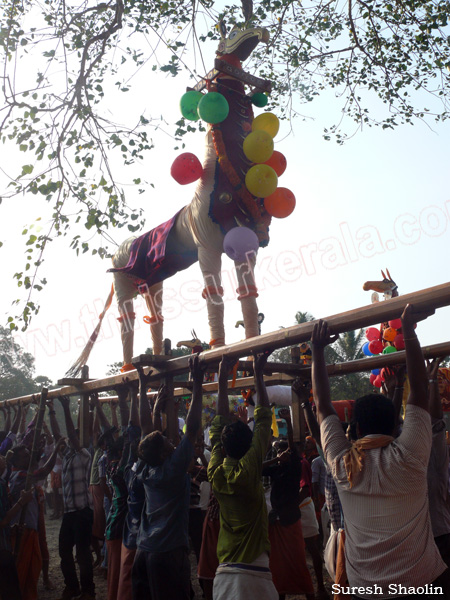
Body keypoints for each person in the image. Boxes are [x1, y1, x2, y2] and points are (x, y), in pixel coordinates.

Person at [311, 304, 448, 599]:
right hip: (419, 584)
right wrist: (408, 333)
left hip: (366, 589)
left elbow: (322, 406)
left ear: (356, 429)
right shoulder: (410, 454)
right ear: (395, 427)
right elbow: (420, 394)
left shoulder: (342, 464)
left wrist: (317, 351)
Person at [132, 354, 204, 600]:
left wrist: (143, 385)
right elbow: (192, 428)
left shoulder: (144, 468)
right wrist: (198, 384)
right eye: (167, 442)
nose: (172, 442)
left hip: (144, 550)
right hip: (168, 553)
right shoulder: (172, 471)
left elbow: (145, 430)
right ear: (164, 452)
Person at [207, 352, 278, 600]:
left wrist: (223, 379)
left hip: (224, 572)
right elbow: (263, 419)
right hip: (254, 571)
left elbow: (218, 426)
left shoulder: (215, 472)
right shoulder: (249, 467)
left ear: (223, 448)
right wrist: (258, 373)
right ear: (250, 448)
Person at [263, 407, 315, 600]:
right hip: (277, 519)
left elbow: (293, 444)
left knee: (298, 561)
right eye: (277, 451)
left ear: (289, 452)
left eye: (282, 450)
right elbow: (256, 469)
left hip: (290, 519)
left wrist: (288, 422)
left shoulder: (294, 467)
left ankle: (310, 593)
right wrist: (274, 459)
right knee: (278, 565)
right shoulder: (275, 469)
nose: (280, 454)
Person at [51, 396, 95, 600]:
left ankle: (88, 590)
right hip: (69, 513)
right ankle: (72, 587)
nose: (69, 441)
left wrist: (67, 408)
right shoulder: (67, 456)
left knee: (83, 554)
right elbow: (57, 435)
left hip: (83, 512)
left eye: (73, 439)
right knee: (64, 551)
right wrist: (52, 411)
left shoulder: (84, 454)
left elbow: (68, 433)